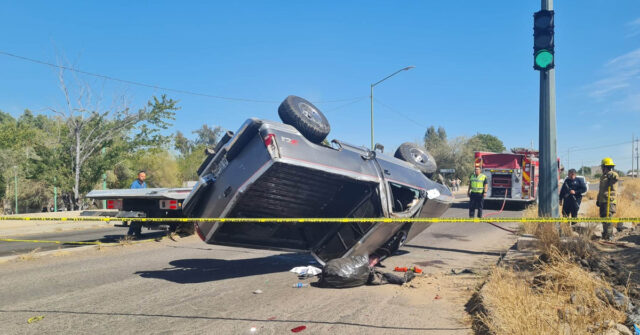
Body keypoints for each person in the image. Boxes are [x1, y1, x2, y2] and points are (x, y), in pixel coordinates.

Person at [596, 158, 618, 240]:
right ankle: (605, 234)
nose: (602, 169)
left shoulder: (612, 174)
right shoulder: (603, 177)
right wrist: (598, 200)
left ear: (606, 167)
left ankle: (609, 236)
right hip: (602, 201)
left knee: (608, 218)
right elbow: (601, 190)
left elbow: (616, 177)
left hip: (609, 201)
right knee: (603, 218)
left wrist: (611, 174)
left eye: (602, 167)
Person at [127, 170, 147, 237]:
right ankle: (130, 233)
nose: (143, 177)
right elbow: (132, 193)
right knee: (135, 219)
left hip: (142, 204)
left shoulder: (144, 184)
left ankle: (137, 233)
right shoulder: (134, 184)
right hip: (136, 204)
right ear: (138, 176)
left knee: (140, 219)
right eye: (141, 176)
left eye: (144, 176)